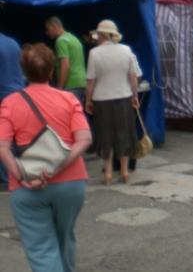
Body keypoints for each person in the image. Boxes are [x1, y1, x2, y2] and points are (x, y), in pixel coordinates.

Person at [0, 43, 91, 272]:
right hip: (71, 184)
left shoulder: (10, 103)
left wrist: (21, 177)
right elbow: (84, 139)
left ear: (23, 72)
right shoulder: (69, 99)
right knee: (65, 236)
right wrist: (56, 169)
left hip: (27, 188)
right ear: (52, 71)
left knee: (41, 247)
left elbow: (2, 147)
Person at [84, 20, 141, 185]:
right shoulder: (126, 50)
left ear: (101, 35)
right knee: (124, 133)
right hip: (124, 97)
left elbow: (90, 81)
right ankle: (124, 171)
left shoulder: (94, 53)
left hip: (101, 100)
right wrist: (135, 95)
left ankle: (108, 172)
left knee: (105, 135)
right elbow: (133, 77)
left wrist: (88, 100)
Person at [0, 31, 25, 186]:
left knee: (3, 140)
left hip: (2, 95)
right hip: (18, 94)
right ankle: (18, 173)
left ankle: (5, 178)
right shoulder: (12, 42)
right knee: (15, 138)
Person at [45, 17, 87, 103]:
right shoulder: (74, 38)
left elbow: (65, 65)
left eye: (48, 29)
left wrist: (59, 87)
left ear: (54, 27)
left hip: (70, 84)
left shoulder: (61, 41)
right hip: (81, 83)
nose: (47, 33)